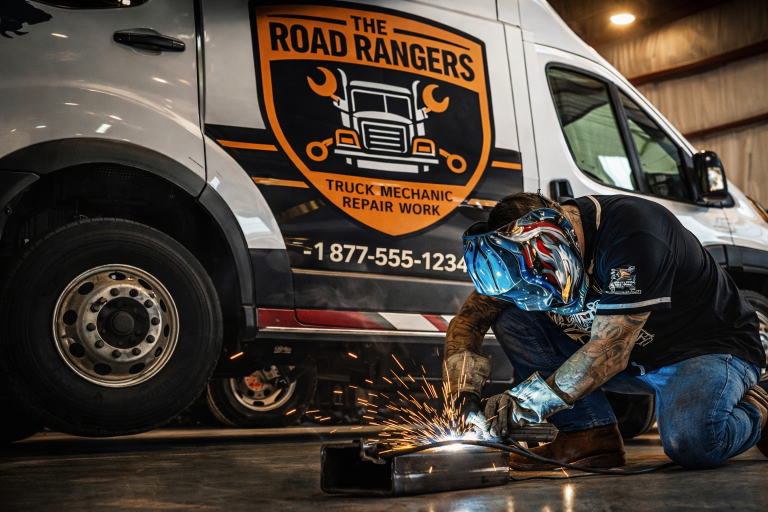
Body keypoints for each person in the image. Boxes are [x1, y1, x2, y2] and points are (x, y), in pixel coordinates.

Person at [443, 192, 768, 470]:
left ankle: (759, 403)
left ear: (556, 240)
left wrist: (521, 405)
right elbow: (469, 321)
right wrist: (464, 394)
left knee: (693, 444)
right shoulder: (517, 256)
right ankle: (588, 435)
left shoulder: (633, 231)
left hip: (705, 351)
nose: (538, 300)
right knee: (513, 317)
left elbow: (609, 352)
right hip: (632, 363)